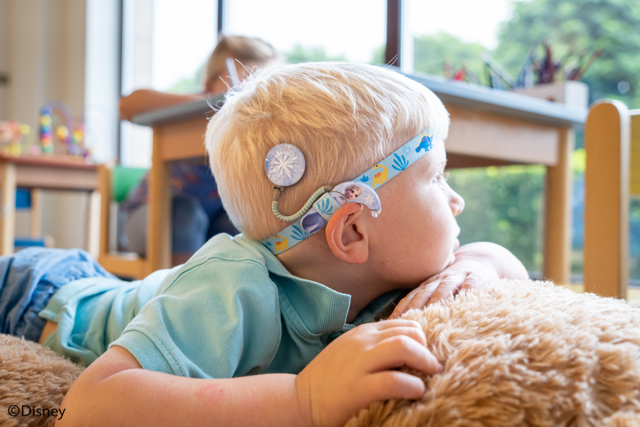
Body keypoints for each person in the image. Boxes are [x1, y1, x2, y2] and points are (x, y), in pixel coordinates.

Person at [0, 62, 528, 427]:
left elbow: (512, 272)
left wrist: (480, 263)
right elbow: (88, 408)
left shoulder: (395, 271)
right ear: (351, 231)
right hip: (35, 294)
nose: (457, 201)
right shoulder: (233, 286)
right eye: (437, 178)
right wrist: (303, 398)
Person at [119, 35, 279, 265]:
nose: (252, 95)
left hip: (210, 222)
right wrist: (214, 102)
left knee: (246, 224)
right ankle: (183, 286)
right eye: (245, 83)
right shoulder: (192, 111)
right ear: (209, 85)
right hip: (150, 218)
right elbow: (128, 105)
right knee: (182, 213)